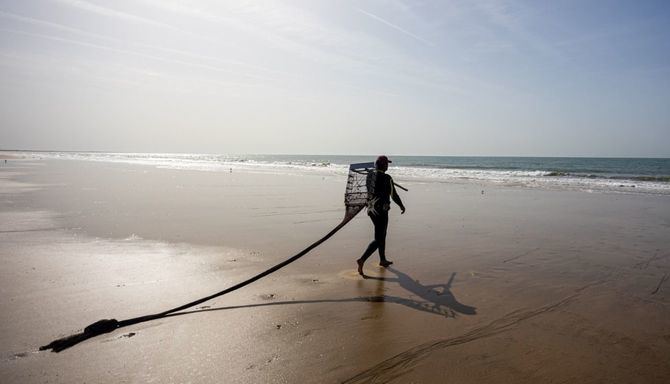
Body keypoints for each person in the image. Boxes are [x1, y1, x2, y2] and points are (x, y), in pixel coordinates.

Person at [357, 155, 405, 276]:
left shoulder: (370, 176)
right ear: (383, 165)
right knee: (379, 238)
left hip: (371, 210)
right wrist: (401, 205)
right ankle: (362, 259)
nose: (388, 166)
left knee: (380, 234)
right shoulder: (387, 178)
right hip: (382, 211)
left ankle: (382, 260)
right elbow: (394, 195)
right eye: (387, 164)